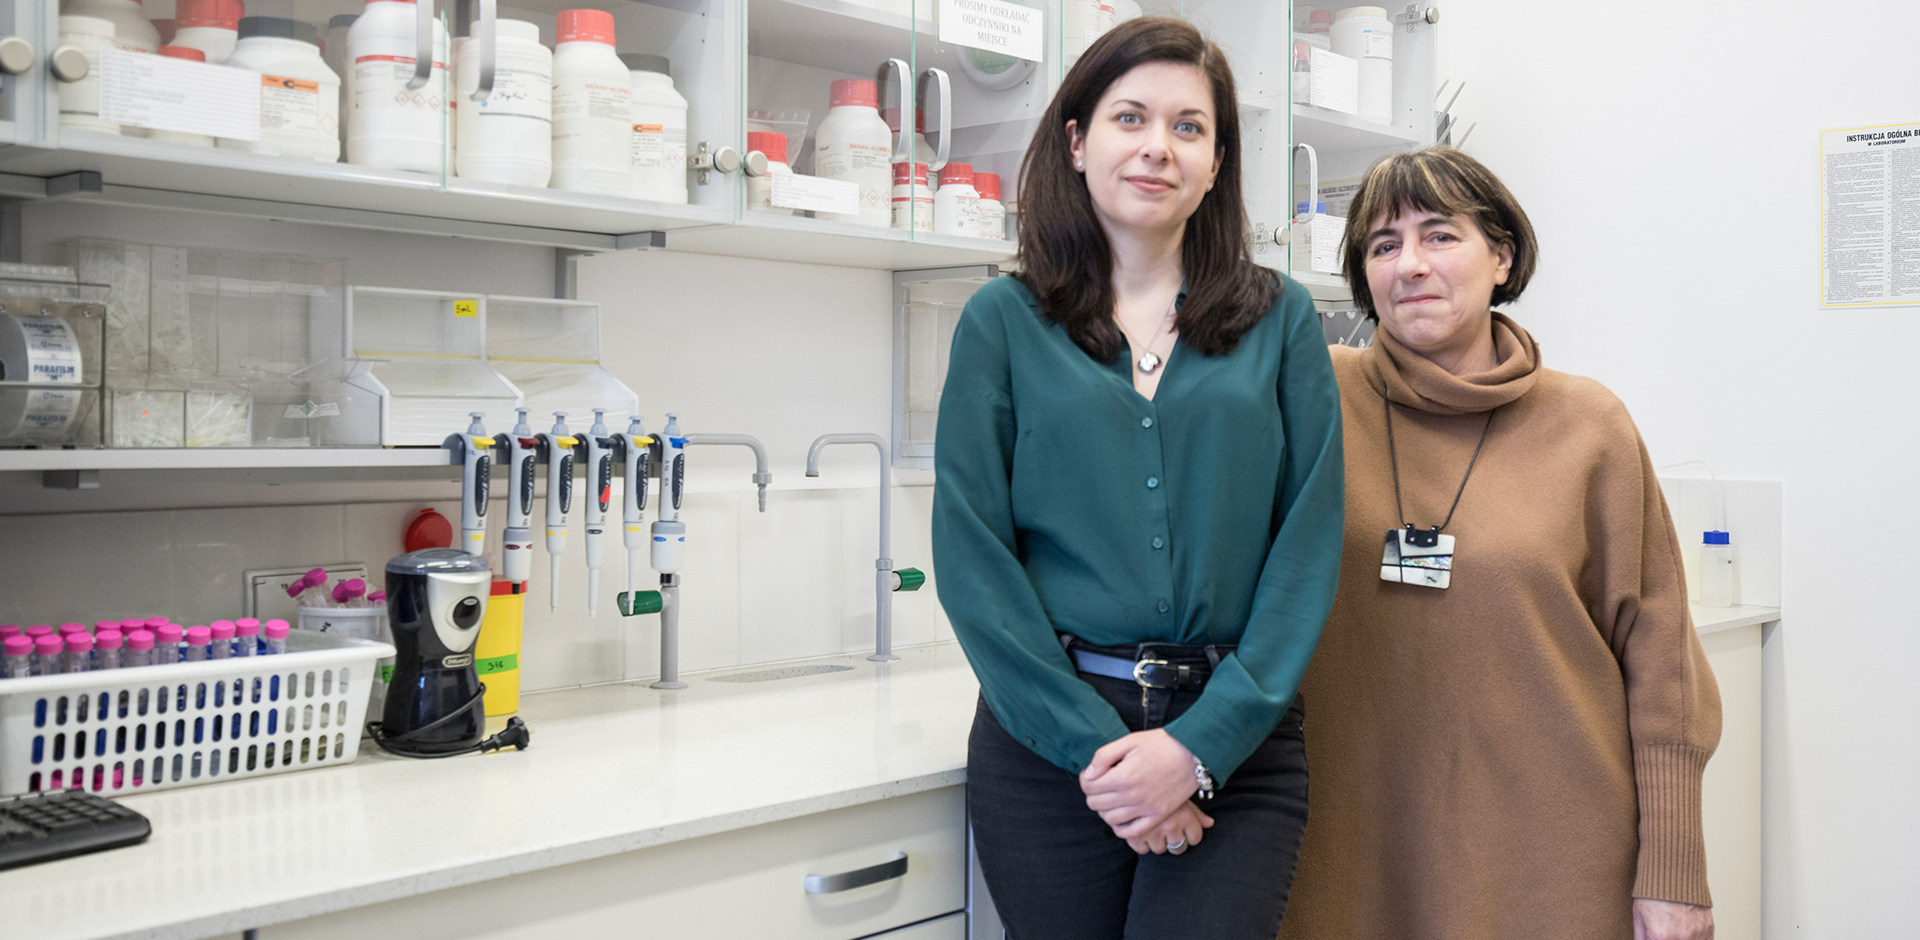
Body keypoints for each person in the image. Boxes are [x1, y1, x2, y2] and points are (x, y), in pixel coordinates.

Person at [929, 16, 1344, 940]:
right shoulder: (1001, 321)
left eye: (1189, 128)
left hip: (1236, 737)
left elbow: (1306, 548)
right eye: (1131, 118)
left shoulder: (1281, 322)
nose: (1158, 147)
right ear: (1078, 143)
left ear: (1216, 161)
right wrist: (1110, 756)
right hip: (1048, 744)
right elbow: (972, 555)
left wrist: (1196, 750)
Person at [1277, 146, 1721, 940]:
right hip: (1349, 845)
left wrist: (1674, 873)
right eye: (1383, 246)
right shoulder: (1313, 399)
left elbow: (1663, 668)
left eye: (1439, 236)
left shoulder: (1590, 428)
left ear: (1502, 256)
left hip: (1553, 857)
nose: (1409, 264)